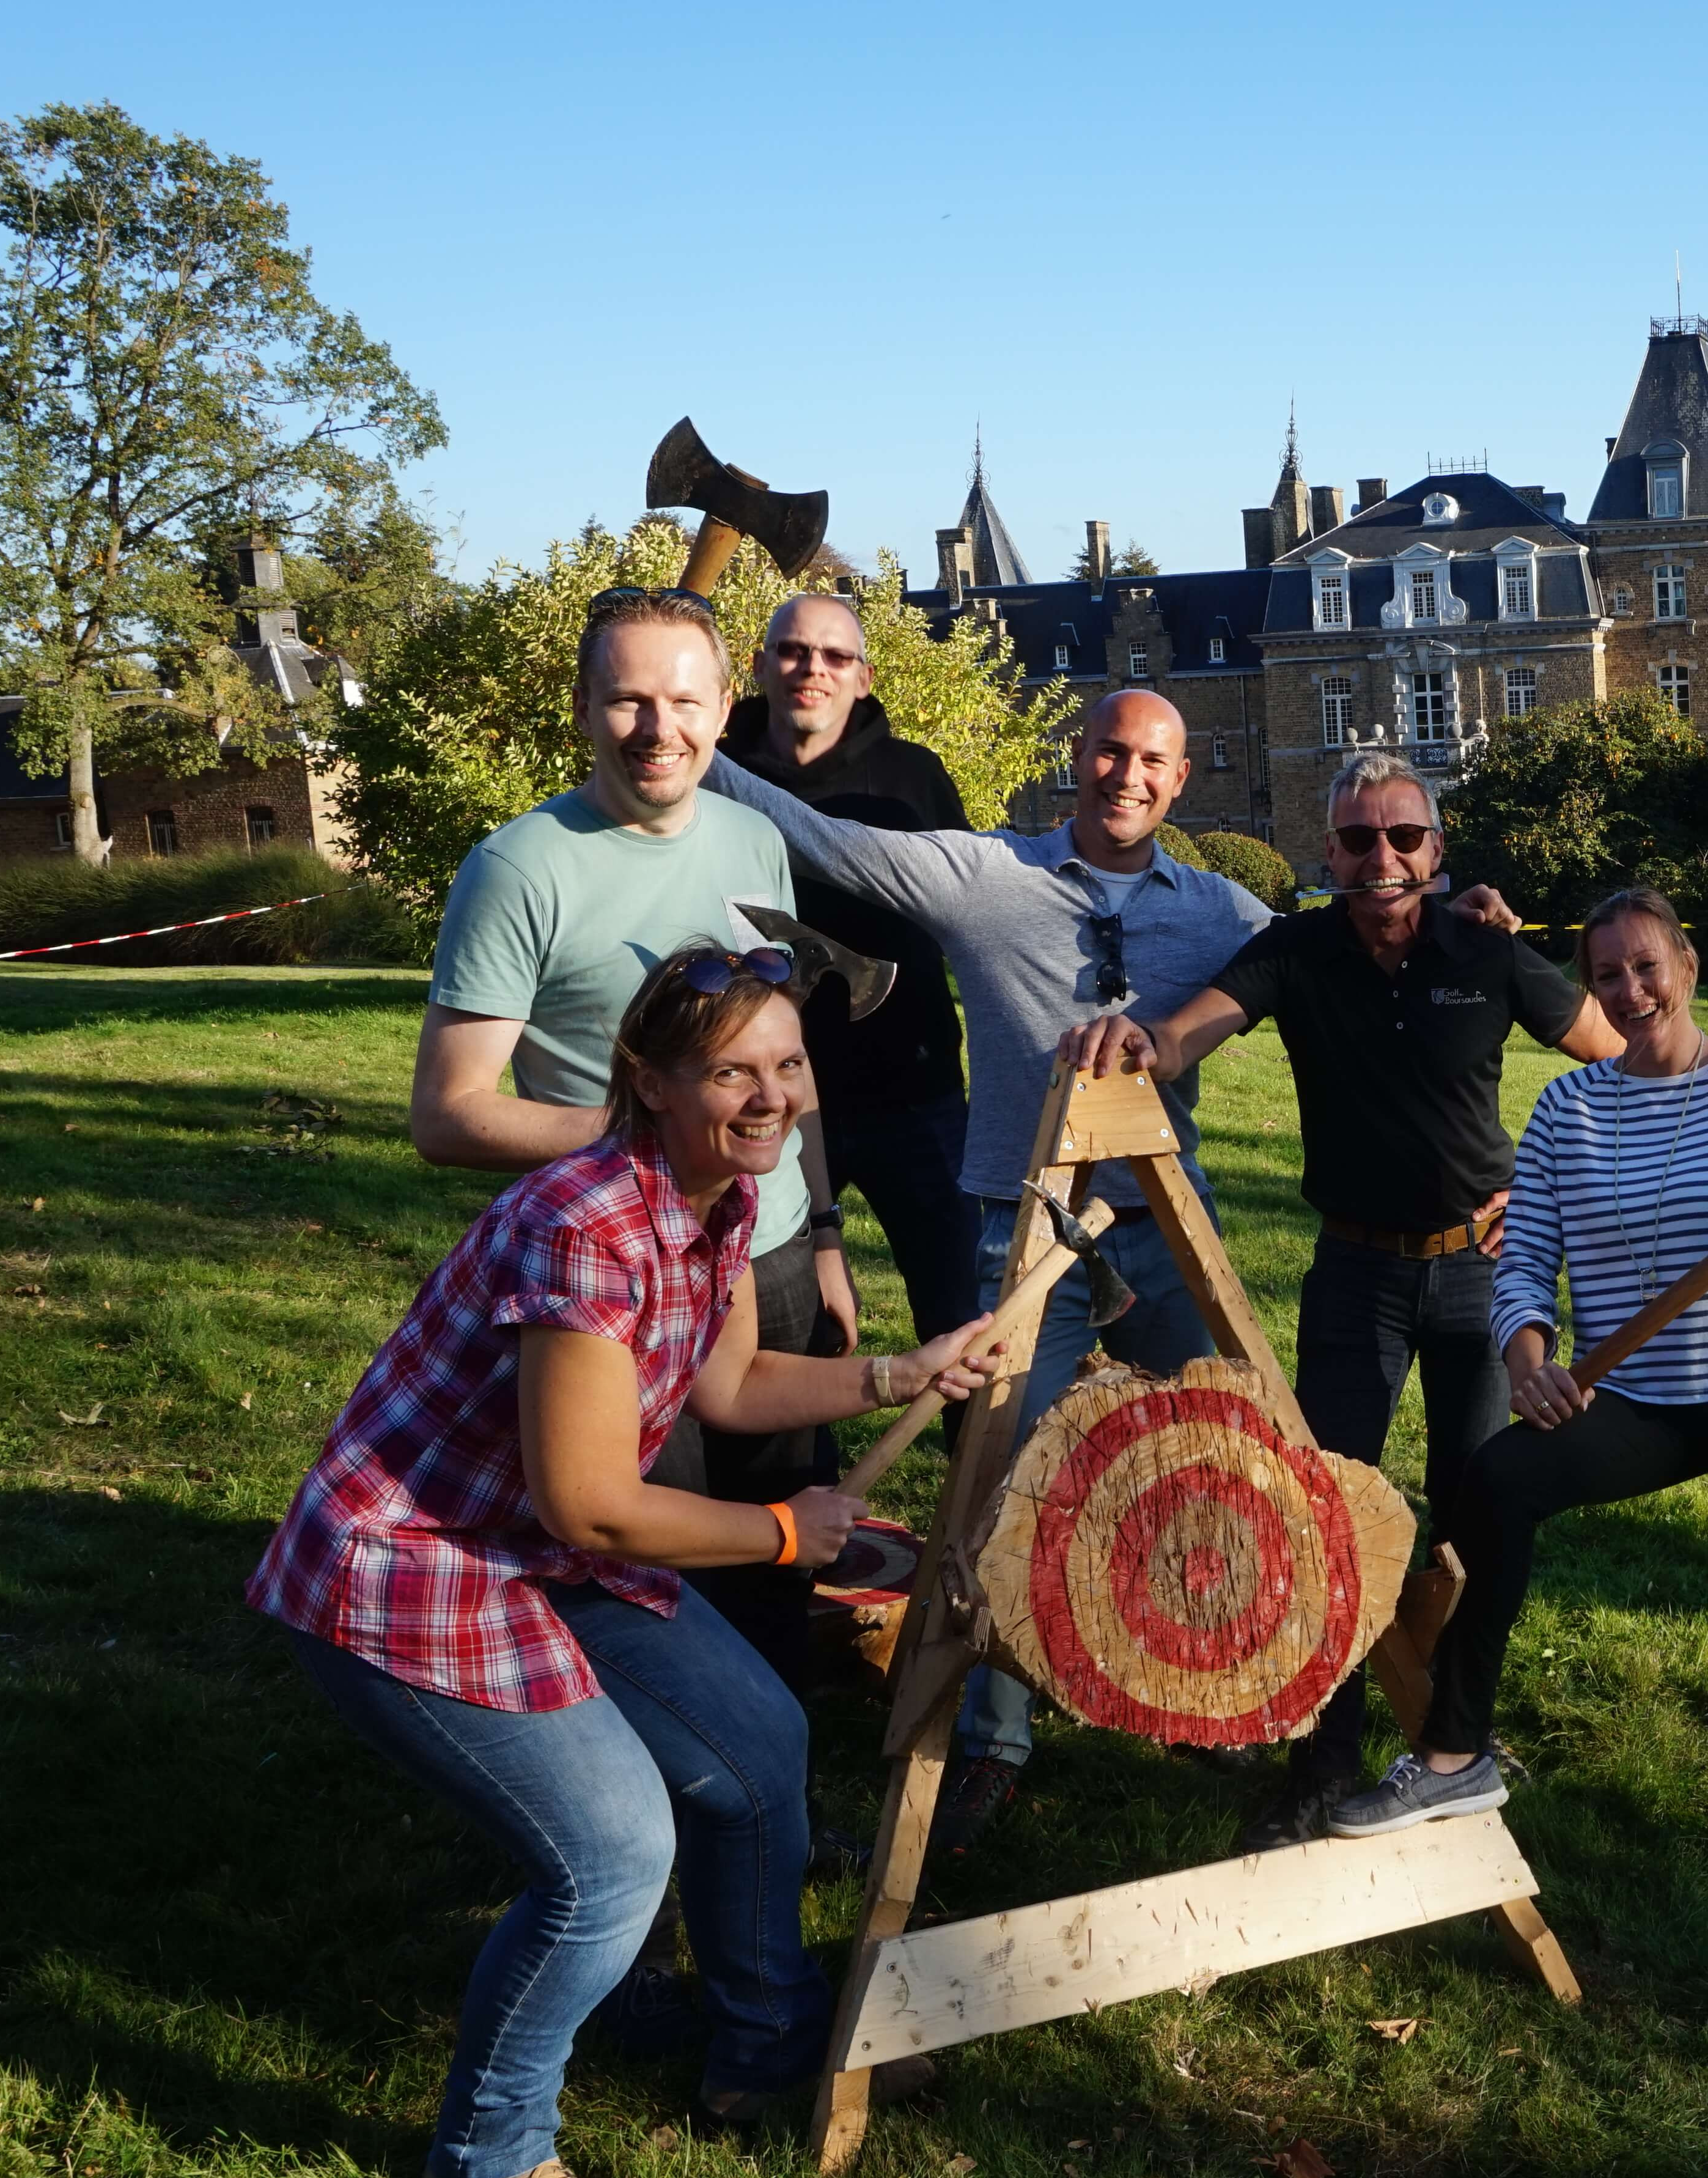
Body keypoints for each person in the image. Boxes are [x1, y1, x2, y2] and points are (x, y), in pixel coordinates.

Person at [251, 945, 1004, 2178]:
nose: (771, 1098)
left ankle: (762, 2041)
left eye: (788, 1065)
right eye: (731, 1073)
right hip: (409, 1571)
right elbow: (593, 1504)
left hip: (535, 1549)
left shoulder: (708, 1202)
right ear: (649, 1083)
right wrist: (776, 1535)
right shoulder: (585, 1223)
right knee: (609, 1858)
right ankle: (489, 2156)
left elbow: (726, 1384)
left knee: (760, 1746)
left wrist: (899, 1374)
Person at [696, 688, 1267, 1855]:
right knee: (1004, 1487)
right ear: (1080, 755)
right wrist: (690, 744)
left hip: (1163, 1221)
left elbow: (1336, 954)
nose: (1127, 775)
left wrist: (1459, 918)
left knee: (1224, 1443)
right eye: (1111, 751)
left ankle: (1217, 1676)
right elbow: (838, 845)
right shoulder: (986, 877)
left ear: (1182, 776)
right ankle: (995, 1741)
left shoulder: (1221, 911)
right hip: (1020, 1230)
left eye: (1152, 760)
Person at [1052, 750, 1621, 1850]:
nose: (1384, 858)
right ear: (1331, 852)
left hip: (1480, 1275)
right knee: (1321, 1517)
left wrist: (1543, 1188)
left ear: (1437, 849)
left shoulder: (1486, 951)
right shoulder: (1298, 949)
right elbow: (1188, 1033)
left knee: (1471, 1514)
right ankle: (1323, 1759)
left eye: (1405, 837)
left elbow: (1606, 1063)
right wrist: (1140, 1043)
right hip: (1356, 1272)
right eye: (1360, 839)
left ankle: (1453, 1740)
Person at [1319, 888, 1708, 1928]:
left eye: (1646, 966)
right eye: (1607, 974)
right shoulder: (1571, 1109)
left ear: (1688, 965)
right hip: (1649, 1397)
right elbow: (1524, 1258)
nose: (1630, 989)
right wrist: (1529, 1357)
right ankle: (1454, 1748)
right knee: (1498, 1479)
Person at [409, 586, 858, 1693]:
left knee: (781, 1544)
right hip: (628, 1278)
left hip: (775, 1250)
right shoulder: (519, 867)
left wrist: (829, 1231)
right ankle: (670, 1814)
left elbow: (781, 1065)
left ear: (723, 707)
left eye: (683, 700)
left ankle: (774, 1800)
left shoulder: (755, 836)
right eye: (627, 701)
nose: (659, 730)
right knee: (659, 1570)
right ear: (581, 708)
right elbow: (449, 1111)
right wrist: (657, 1137)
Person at [718, 594, 980, 1346]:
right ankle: (807, 1466)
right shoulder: (709, 768)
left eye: (835, 657)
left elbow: (967, 906)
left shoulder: (913, 778)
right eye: (795, 651)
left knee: (961, 1313)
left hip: (914, 1091)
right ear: (762, 663)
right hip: (760, 1097)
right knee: (784, 1316)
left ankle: (982, 1461)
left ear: (863, 677)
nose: (814, 670)